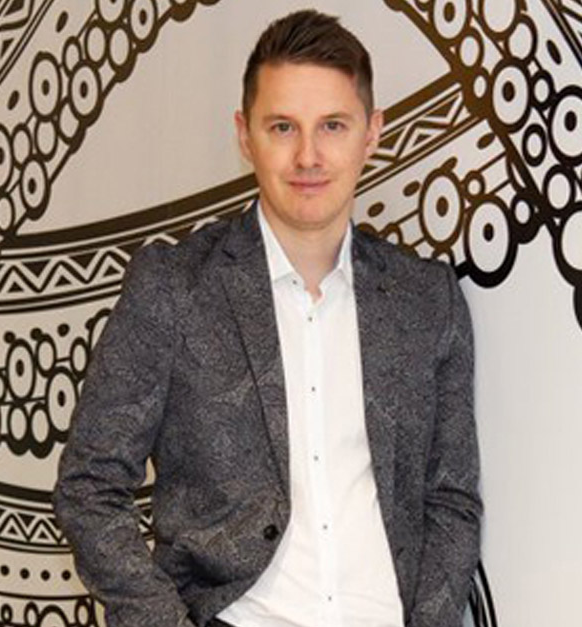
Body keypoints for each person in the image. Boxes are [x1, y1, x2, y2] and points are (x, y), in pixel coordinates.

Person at [54, 9, 481, 627]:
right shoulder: (174, 287)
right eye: (283, 127)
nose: (308, 155)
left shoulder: (427, 299)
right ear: (245, 135)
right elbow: (90, 486)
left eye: (332, 125)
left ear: (372, 134)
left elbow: (452, 498)